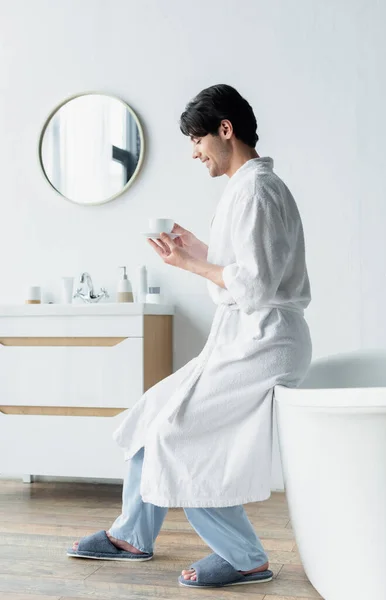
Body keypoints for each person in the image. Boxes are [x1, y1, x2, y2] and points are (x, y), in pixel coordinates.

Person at [67, 84, 312, 589]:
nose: (194, 152)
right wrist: (200, 249)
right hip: (243, 337)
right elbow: (246, 265)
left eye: (198, 139)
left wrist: (191, 262)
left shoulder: (258, 190)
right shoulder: (245, 188)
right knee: (153, 413)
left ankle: (245, 557)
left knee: (177, 435)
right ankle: (132, 535)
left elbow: (258, 283)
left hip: (262, 343)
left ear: (226, 129)